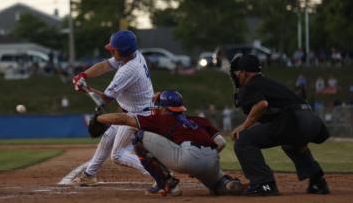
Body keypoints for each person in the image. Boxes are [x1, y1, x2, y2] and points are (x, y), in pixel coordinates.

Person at [95, 90, 243, 196]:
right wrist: (203, 159)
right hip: (212, 160)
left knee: (139, 138)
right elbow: (221, 142)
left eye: (158, 106)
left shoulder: (163, 120)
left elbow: (125, 119)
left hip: (188, 158)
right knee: (217, 185)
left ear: (165, 108)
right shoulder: (198, 120)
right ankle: (228, 184)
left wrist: (98, 119)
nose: (156, 108)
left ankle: (168, 184)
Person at [229, 54, 330, 196]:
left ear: (244, 73)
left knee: (243, 140)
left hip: (295, 120)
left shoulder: (250, 85)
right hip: (313, 120)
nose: (237, 76)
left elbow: (262, 104)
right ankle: (318, 183)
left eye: (238, 73)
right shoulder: (269, 83)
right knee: (292, 144)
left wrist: (244, 126)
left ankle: (263, 184)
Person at [71, 30, 154, 186]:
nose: (111, 50)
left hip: (138, 115)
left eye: (113, 49)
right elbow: (105, 65)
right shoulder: (132, 55)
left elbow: (105, 99)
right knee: (108, 138)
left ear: (122, 51)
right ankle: (89, 175)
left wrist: (86, 89)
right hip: (134, 110)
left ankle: (160, 172)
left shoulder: (128, 70)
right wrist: (83, 75)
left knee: (118, 155)